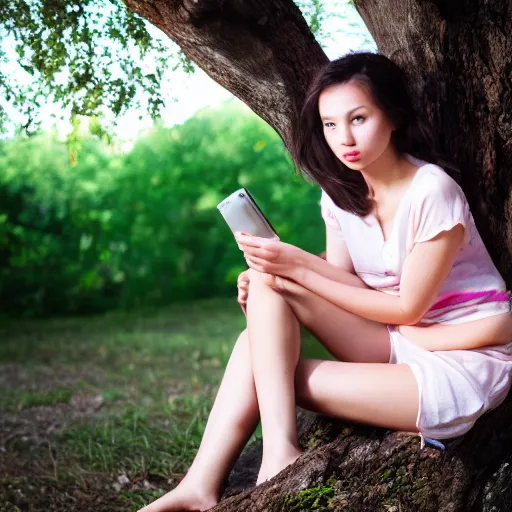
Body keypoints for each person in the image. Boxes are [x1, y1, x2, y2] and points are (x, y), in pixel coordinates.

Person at [139, 52, 512, 512]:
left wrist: (298, 267)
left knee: (262, 356)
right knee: (265, 282)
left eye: (358, 118)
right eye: (330, 124)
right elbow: (344, 277)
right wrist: (276, 273)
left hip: (459, 357)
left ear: (393, 116)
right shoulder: (340, 194)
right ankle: (210, 480)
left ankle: (267, 457)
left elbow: (407, 308)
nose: (344, 138)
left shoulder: (432, 191)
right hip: (395, 339)